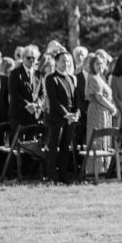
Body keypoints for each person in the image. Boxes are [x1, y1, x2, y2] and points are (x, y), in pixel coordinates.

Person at [44, 51, 80, 184]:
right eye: (63, 61)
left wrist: (77, 113)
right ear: (56, 62)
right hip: (57, 118)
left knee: (65, 148)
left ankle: (63, 176)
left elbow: (76, 99)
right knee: (54, 147)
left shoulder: (72, 78)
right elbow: (54, 100)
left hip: (71, 118)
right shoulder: (51, 78)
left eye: (68, 61)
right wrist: (66, 114)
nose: (66, 63)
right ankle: (51, 176)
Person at [84, 54, 118, 176]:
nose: (100, 66)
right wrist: (111, 107)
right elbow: (99, 97)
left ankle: (103, 170)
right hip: (97, 111)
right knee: (97, 139)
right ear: (92, 65)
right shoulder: (93, 78)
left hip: (104, 112)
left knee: (104, 139)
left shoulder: (100, 77)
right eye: (97, 63)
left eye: (102, 63)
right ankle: (94, 171)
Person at [9, 45, 42, 129]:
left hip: (34, 114)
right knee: (17, 137)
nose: (31, 60)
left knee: (32, 137)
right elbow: (13, 92)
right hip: (19, 114)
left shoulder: (38, 74)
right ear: (23, 58)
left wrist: (37, 104)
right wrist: (27, 105)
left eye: (33, 58)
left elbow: (42, 93)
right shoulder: (15, 73)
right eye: (28, 58)